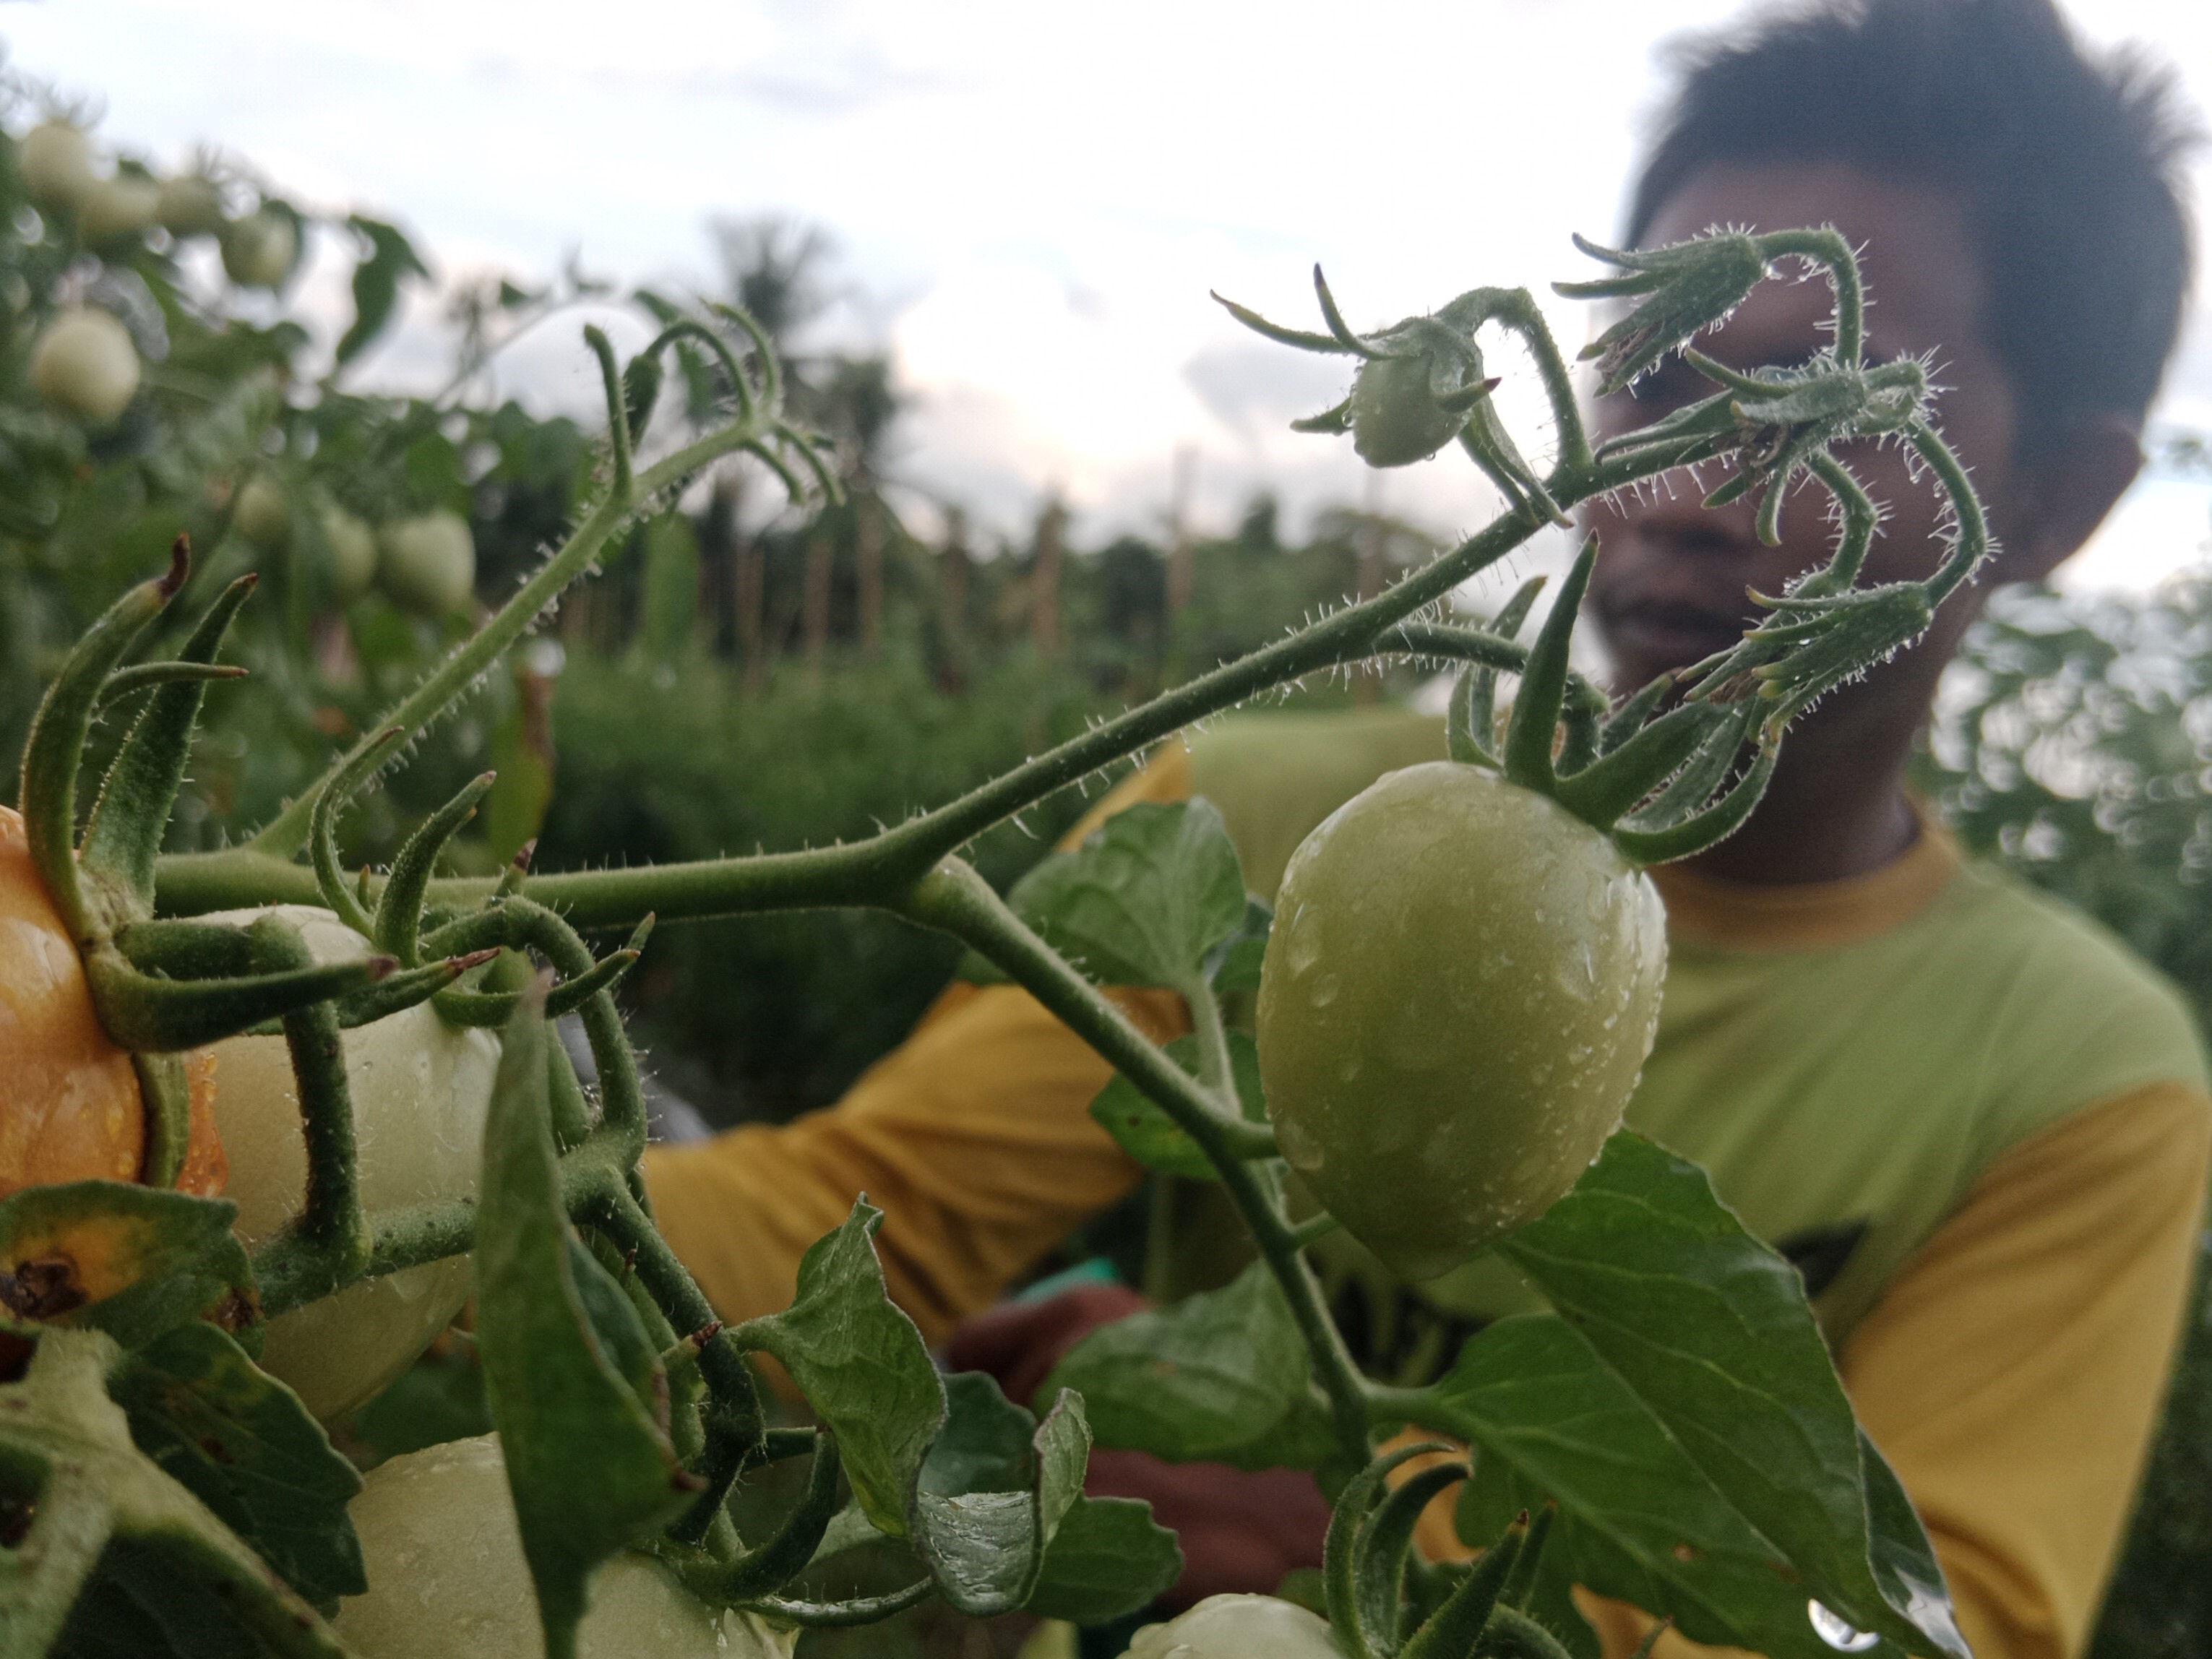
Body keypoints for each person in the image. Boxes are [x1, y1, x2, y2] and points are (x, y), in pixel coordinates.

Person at [638, 1, 2211, 1655]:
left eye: (1813, 418)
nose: (1684, 489)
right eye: (1657, 380)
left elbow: (1945, 1621)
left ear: (2053, 499)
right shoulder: (1246, 817)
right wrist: (484, 1151)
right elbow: (865, 1210)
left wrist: (1335, 1494)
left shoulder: (2073, 1076)